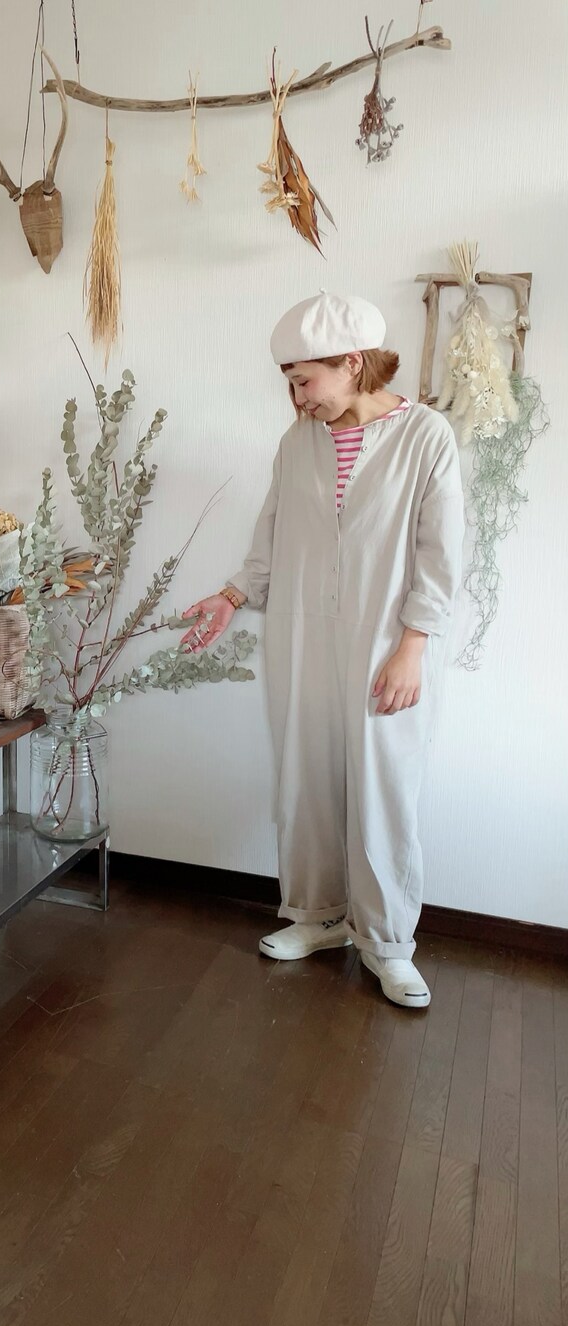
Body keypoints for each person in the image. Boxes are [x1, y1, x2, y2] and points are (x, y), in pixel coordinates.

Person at [182, 291, 464, 1008]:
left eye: (305, 380)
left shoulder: (425, 436)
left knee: (382, 788)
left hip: (385, 637)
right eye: (289, 383)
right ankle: (316, 916)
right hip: (303, 629)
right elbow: (272, 532)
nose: (298, 398)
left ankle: (387, 943)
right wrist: (232, 596)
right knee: (306, 776)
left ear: (352, 363)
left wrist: (413, 645)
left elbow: (441, 552)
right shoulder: (297, 443)